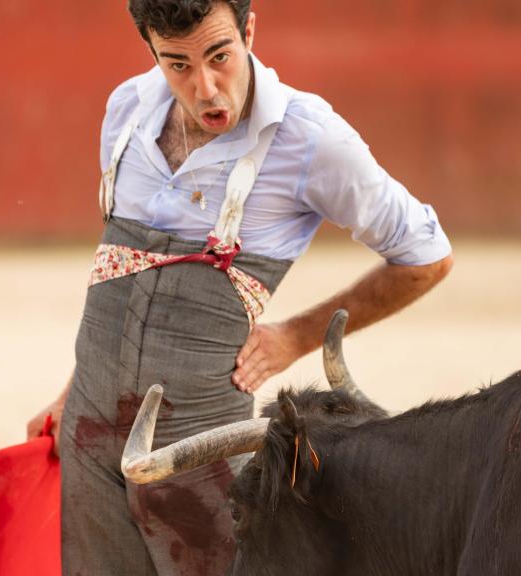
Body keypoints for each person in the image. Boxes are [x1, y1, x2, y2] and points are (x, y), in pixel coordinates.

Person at [25, 0, 453, 574]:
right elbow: (117, 275)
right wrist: (68, 394)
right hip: (89, 436)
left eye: (220, 56)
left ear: (250, 29)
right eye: (177, 64)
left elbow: (426, 256)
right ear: (151, 49)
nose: (205, 88)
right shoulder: (126, 111)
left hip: (202, 445)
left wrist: (295, 337)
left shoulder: (309, 137)